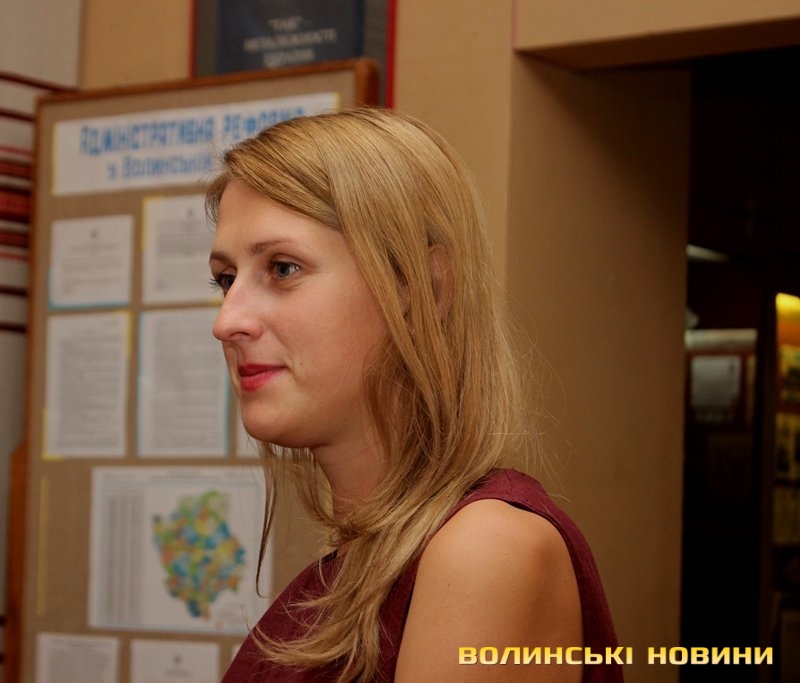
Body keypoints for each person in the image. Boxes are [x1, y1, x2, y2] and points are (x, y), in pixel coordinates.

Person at [205, 107, 622, 683]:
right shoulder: (362, 563)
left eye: (282, 268)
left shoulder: (485, 549)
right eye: (226, 279)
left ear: (421, 285)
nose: (227, 322)